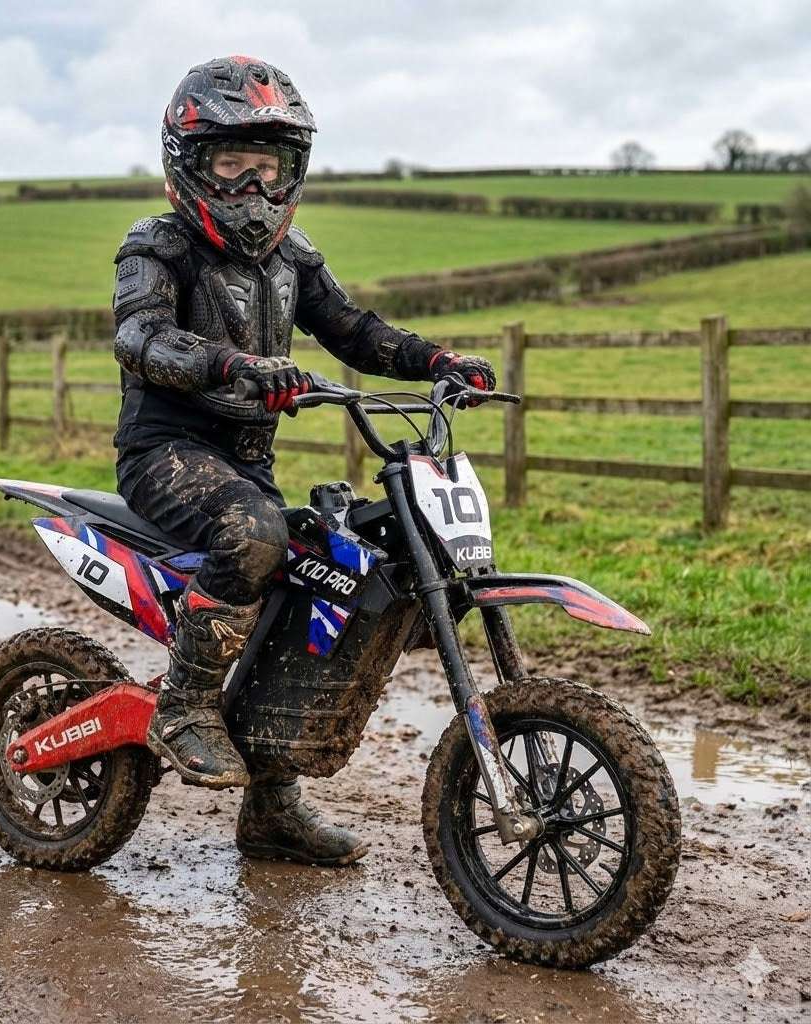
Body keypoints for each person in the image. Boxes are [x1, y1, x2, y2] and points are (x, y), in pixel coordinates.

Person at [112, 55, 495, 867]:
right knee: (254, 535)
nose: (252, 189)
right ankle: (182, 706)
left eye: (269, 168)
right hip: (165, 455)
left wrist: (437, 362)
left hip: (245, 464)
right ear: (190, 164)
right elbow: (138, 335)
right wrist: (232, 366)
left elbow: (352, 329)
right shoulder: (158, 244)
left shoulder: (294, 258)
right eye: (231, 166)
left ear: (294, 171)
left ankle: (272, 805)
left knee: (328, 575)